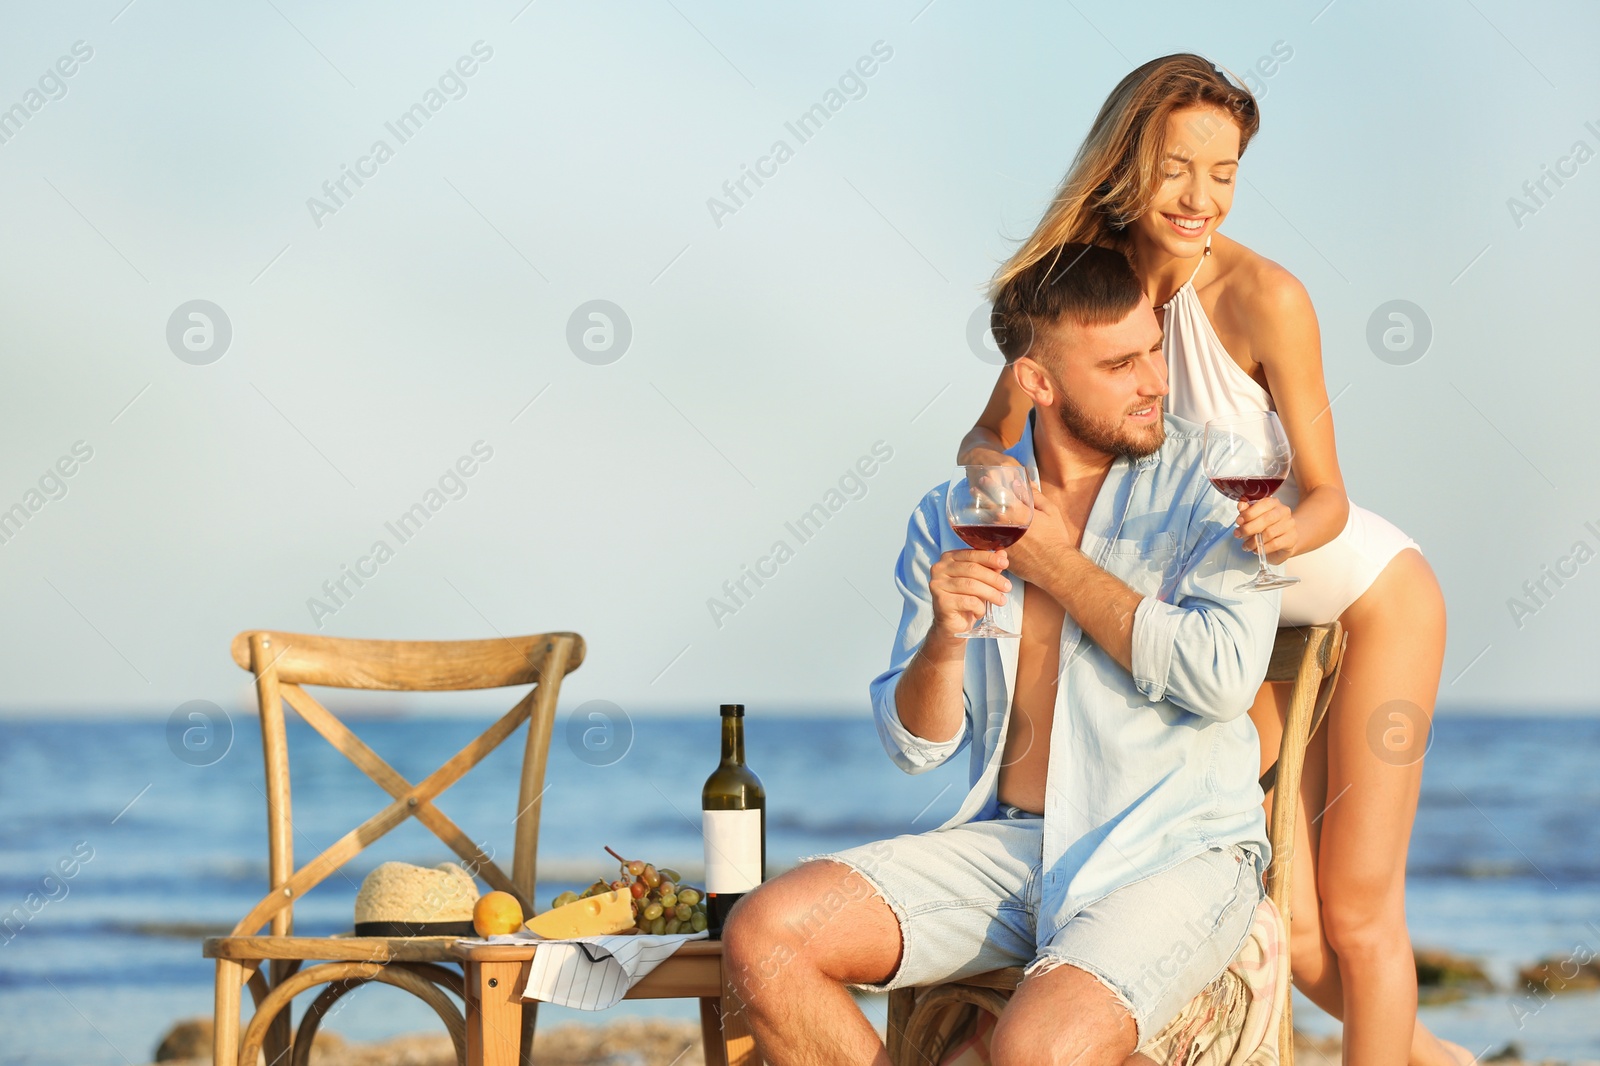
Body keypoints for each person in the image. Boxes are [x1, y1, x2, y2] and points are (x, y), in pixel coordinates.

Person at [956, 55, 1456, 1066]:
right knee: (1298, 933)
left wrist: (1284, 527)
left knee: (1357, 920)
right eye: (1178, 168)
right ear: (1124, 159)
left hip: (1358, 594)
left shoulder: (1265, 296)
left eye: (1224, 173)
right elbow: (984, 437)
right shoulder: (1073, 290)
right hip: (1225, 619)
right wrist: (998, 489)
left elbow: (1328, 496)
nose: (1200, 198)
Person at [724, 243, 1280, 1066]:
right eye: (1122, 364)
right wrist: (946, 640)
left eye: (1153, 349)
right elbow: (916, 745)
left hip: (1177, 850)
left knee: (1034, 1050)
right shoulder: (955, 512)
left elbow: (1225, 676)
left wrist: (1056, 562)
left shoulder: (1217, 485)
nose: (1157, 382)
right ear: (1038, 383)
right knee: (764, 935)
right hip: (1018, 845)